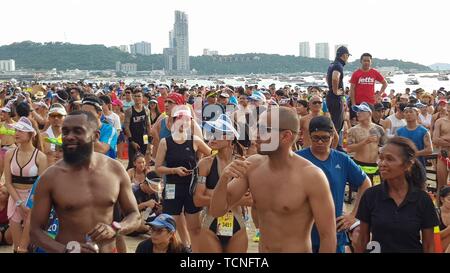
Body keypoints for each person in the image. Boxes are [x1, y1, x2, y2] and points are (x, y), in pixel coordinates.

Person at [210, 107, 337, 252]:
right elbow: (217, 210)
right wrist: (224, 178)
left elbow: (327, 236)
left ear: (286, 136)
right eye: (257, 127)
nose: (256, 135)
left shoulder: (311, 177)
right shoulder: (252, 166)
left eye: (264, 129)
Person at [30, 111, 140, 253]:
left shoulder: (115, 170)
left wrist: (116, 228)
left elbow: (135, 216)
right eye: (65, 131)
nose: (69, 136)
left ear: (95, 136)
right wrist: (66, 250)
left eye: (78, 131)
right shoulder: (50, 177)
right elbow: (34, 231)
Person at [296, 116, 371, 253]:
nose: (320, 142)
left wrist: (354, 214)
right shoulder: (298, 158)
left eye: (324, 138)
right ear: (309, 136)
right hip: (304, 231)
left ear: (332, 136)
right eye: (315, 138)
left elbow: (366, 182)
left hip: (334, 229)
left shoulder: (341, 159)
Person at [355, 137, 439, 253]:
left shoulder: (423, 200)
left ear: (407, 165)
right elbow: (363, 239)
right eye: (381, 158)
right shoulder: (370, 196)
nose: (382, 163)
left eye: (389, 159)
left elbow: (429, 245)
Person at [155, 107, 212, 252]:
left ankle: (195, 250)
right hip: (172, 187)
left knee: (195, 226)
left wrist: (200, 166)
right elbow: (158, 168)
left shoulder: (195, 140)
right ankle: (184, 247)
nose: (183, 123)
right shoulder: (165, 142)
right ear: (173, 121)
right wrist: (174, 170)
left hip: (191, 188)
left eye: (186, 120)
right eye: (180, 120)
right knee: (170, 225)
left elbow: (212, 156)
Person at [193, 115, 252, 253]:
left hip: (237, 223)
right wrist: (235, 198)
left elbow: (251, 200)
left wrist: (212, 194)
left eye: (217, 133)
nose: (212, 137)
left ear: (230, 137)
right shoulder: (205, 163)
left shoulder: (243, 163)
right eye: (212, 132)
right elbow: (197, 200)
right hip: (210, 223)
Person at [4, 117, 47, 252]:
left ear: (31, 134)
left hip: (33, 201)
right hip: (14, 199)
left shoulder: (40, 157)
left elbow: (41, 187)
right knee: (18, 246)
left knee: (30, 244)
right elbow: (8, 183)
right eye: (16, 130)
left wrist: (29, 205)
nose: (17, 133)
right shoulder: (9, 154)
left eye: (21, 130)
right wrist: (19, 203)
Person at [347, 102, 387, 186]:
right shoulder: (353, 130)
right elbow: (349, 148)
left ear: (369, 113)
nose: (358, 113)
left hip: (375, 167)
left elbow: (384, 146)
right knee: (360, 193)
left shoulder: (378, 129)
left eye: (361, 111)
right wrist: (365, 142)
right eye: (357, 111)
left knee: (375, 193)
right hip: (359, 166)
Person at [326, 46, 351, 150]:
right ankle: (334, 148)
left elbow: (327, 78)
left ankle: (334, 146)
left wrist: (331, 88)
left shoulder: (332, 64)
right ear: (344, 55)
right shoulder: (338, 65)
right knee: (337, 124)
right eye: (348, 56)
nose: (348, 58)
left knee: (334, 123)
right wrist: (336, 91)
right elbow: (335, 78)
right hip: (335, 98)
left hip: (331, 96)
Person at [124, 89, 152, 170]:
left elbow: (148, 125)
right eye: (135, 96)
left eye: (139, 96)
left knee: (144, 160)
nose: (137, 98)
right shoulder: (129, 111)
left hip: (144, 137)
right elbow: (126, 126)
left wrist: (149, 142)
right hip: (133, 138)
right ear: (133, 97)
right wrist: (131, 141)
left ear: (142, 97)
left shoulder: (146, 110)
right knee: (132, 162)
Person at [433, 102, 450, 191]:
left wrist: (444, 139)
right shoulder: (440, 121)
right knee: (441, 186)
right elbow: (435, 139)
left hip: (444, 151)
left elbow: (439, 139)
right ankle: (440, 205)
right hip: (443, 155)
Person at [0, 105, 16, 180]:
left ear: (9, 113)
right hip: (3, 148)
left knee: (10, 170)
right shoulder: (1, 124)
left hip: (12, 148)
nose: (3, 114)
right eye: (3, 112)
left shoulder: (16, 125)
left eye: (5, 112)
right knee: (1, 169)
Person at [436, 186, 450, 252]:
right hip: (437, 248)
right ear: (442, 199)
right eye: (449, 199)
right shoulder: (435, 214)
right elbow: (435, 236)